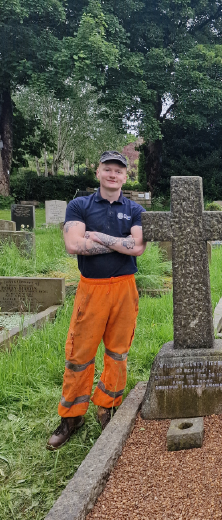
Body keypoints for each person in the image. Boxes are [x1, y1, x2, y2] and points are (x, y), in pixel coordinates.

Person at [47, 151, 147, 450]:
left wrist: (99, 237)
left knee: (118, 351)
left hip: (124, 288)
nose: (113, 174)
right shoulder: (80, 205)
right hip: (91, 289)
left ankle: (107, 405)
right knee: (79, 354)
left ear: (125, 176)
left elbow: (138, 247)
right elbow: (73, 244)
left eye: (119, 170)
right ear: (98, 172)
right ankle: (72, 415)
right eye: (108, 169)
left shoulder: (134, 209)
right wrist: (119, 244)